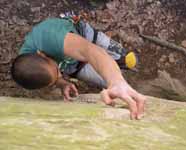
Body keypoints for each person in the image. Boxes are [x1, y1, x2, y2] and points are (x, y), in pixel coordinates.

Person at [11, 13, 146, 120]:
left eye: (57, 71)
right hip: (72, 65)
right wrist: (61, 82)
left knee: (127, 61)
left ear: (42, 54)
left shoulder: (52, 37)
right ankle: (118, 78)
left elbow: (91, 51)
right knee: (107, 82)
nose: (59, 74)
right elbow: (51, 75)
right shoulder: (29, 69)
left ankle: (119, 70)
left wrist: (116, 82)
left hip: (84, 37)